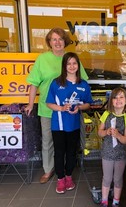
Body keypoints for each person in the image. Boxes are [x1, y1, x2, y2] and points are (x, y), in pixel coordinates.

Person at [25, 27, 88, 184]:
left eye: (60, 39)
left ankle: (68, 169)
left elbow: (83, 80)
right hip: (49, 109)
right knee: (48, 140)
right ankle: (48, 169)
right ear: (49, 42)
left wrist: (80, 105)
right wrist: (30, 104)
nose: (57, 42)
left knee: (69, 141)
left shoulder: (71, 59)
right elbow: (33, 83)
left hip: (70, 110)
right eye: (54, 39)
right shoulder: (42, 59)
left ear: (65, 41)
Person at [46, 52, 93, 194]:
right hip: (58, 125)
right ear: (64, 66)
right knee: (59, 153)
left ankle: (68, 176)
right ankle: (60, 179)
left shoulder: (83, 84)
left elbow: (88, 104)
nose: (72, 66)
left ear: (78, 65)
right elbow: (49, 103)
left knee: (71, 153)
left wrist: (79, 107)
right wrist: (61, 108)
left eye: (74, 63)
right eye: (69, 63)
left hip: (74, 125)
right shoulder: (56, 83)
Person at [98, 87, 126, 207]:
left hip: (120, 155)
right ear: (111, 101)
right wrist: (106, 132)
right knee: (106, 178)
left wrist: (117, 135)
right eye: (115, 98)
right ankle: (104, 200)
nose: (118, 100)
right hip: (107, 153)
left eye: (121, 97)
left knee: (118, 179)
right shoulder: (106, 114)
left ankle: (116, 201)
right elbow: (99, 132)